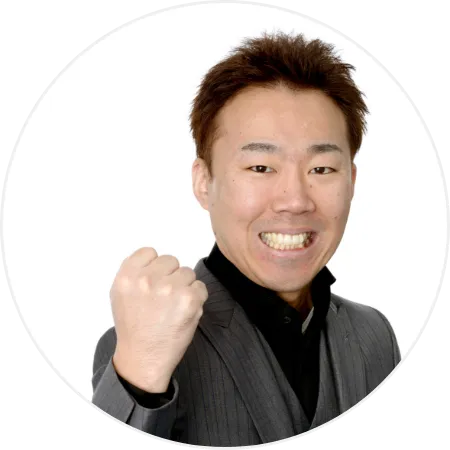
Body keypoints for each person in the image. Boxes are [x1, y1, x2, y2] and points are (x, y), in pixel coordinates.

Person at [91, 31, 401, 447]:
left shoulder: (374, 335)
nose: (295, 200)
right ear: (204, 182)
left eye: (322, 169)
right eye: (260, 167)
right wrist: (139, 377)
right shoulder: (139, 347)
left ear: (351, 181)